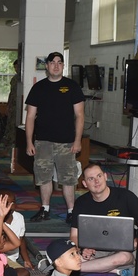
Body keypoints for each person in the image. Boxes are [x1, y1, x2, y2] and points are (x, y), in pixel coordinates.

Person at [25, 51, 85, 224]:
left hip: (66, 142)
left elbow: (80, 115)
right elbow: (30, 117)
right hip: (43, 141)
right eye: (53, 62)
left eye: (60, 62)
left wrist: (78, 140)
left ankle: (71, 211)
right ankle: (45, 209)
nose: (56, 65)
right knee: (43, 177)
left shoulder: (72, 87)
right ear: (47, 66)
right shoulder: (39, 87)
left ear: (63, 65)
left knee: (68, 178)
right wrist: (29, 141)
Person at [69, 163, 138, 276]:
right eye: (91, 179)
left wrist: (136, 242)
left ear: (105, 176)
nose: (96, 181)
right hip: (95, 250)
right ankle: (114, 270)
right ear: (85, 184)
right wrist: (83, 248)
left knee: (123, 257)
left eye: (99, 176)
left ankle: (74, 269)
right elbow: (74, 235)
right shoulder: (81, 203)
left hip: (124, 251)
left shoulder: (126, 196)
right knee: (70, 255)